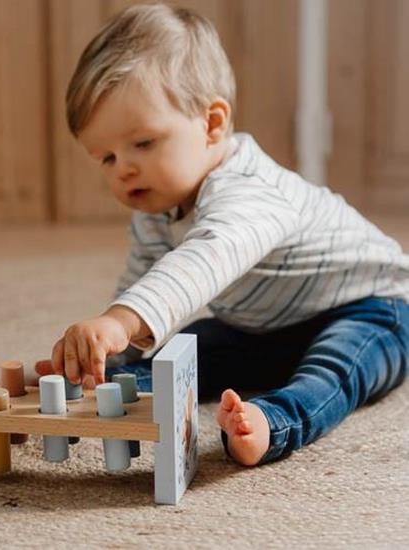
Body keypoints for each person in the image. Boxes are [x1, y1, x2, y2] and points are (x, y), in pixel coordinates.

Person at [35, 3, 409, 466]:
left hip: (373, 309)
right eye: (106, 158)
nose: (124, 168)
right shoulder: (156, 206)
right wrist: (103, 353)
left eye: (144, 143)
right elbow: (145, 289)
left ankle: (273, 422)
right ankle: (112, 387)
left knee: (336, 369)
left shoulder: (250, 193)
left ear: (212, 124)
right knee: (193, 346)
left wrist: (118, 320)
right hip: (264, 325)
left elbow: (198, 265)